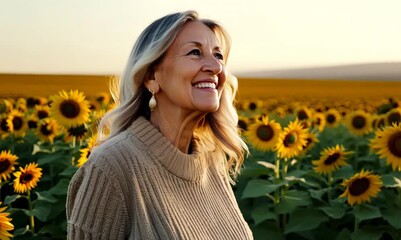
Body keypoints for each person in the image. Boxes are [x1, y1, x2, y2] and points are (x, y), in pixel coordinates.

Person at [66, 10, 253, 239]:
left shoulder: (211, 161)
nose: (215, 67)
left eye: (218, 55)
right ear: (151, 77)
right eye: (195, 52)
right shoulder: (111, 169)